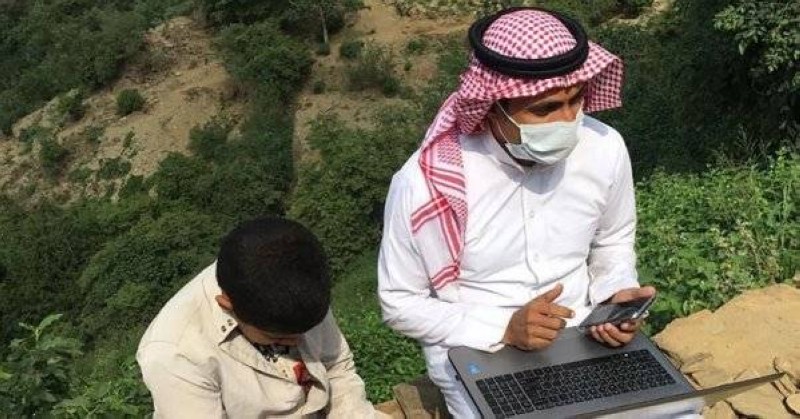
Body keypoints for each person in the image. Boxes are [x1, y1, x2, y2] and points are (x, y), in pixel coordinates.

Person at [377, 7, 671, 417]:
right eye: (545, 109)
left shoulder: (604, 148)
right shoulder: (427, 183)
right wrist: (505, 328)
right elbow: (400, 303)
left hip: (584, 334)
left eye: (575, 100)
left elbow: (613, 240)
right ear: (493, 106)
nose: (568, 121)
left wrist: (614, 296)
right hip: (478, 349)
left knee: (680, 412)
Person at [137, 217, 383, 418]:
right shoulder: (175, 353)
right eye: (277, 337)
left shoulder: (297, 277)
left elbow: (336, 367)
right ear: (227, 305)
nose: (296, 342)